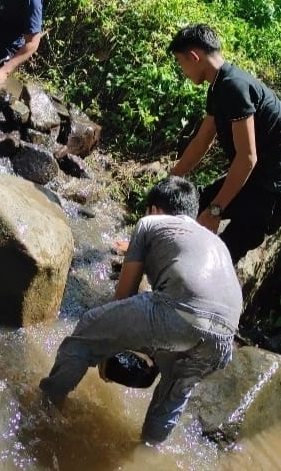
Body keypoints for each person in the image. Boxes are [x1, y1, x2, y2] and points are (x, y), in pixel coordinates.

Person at [39, 176, 242, 444]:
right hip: (224, 337)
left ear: (155, 209)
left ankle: (45, 408)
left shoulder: (151, 223)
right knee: (174, 392)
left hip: (180, 312)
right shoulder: (217, 243)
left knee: (88, 329)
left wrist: (105, 355)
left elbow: (123, 296)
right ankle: (148, 451)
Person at [168, 23, 281, 264]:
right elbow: (202, 142)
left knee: (217, 257)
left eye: (181, 63)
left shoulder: (233, 86)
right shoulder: (219, 86)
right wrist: (171, 179)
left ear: (194, 56)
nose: (183, 71)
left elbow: (247, 158)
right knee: (188, 204)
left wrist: (215, 211)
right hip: (258, 179)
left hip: (276, 191)